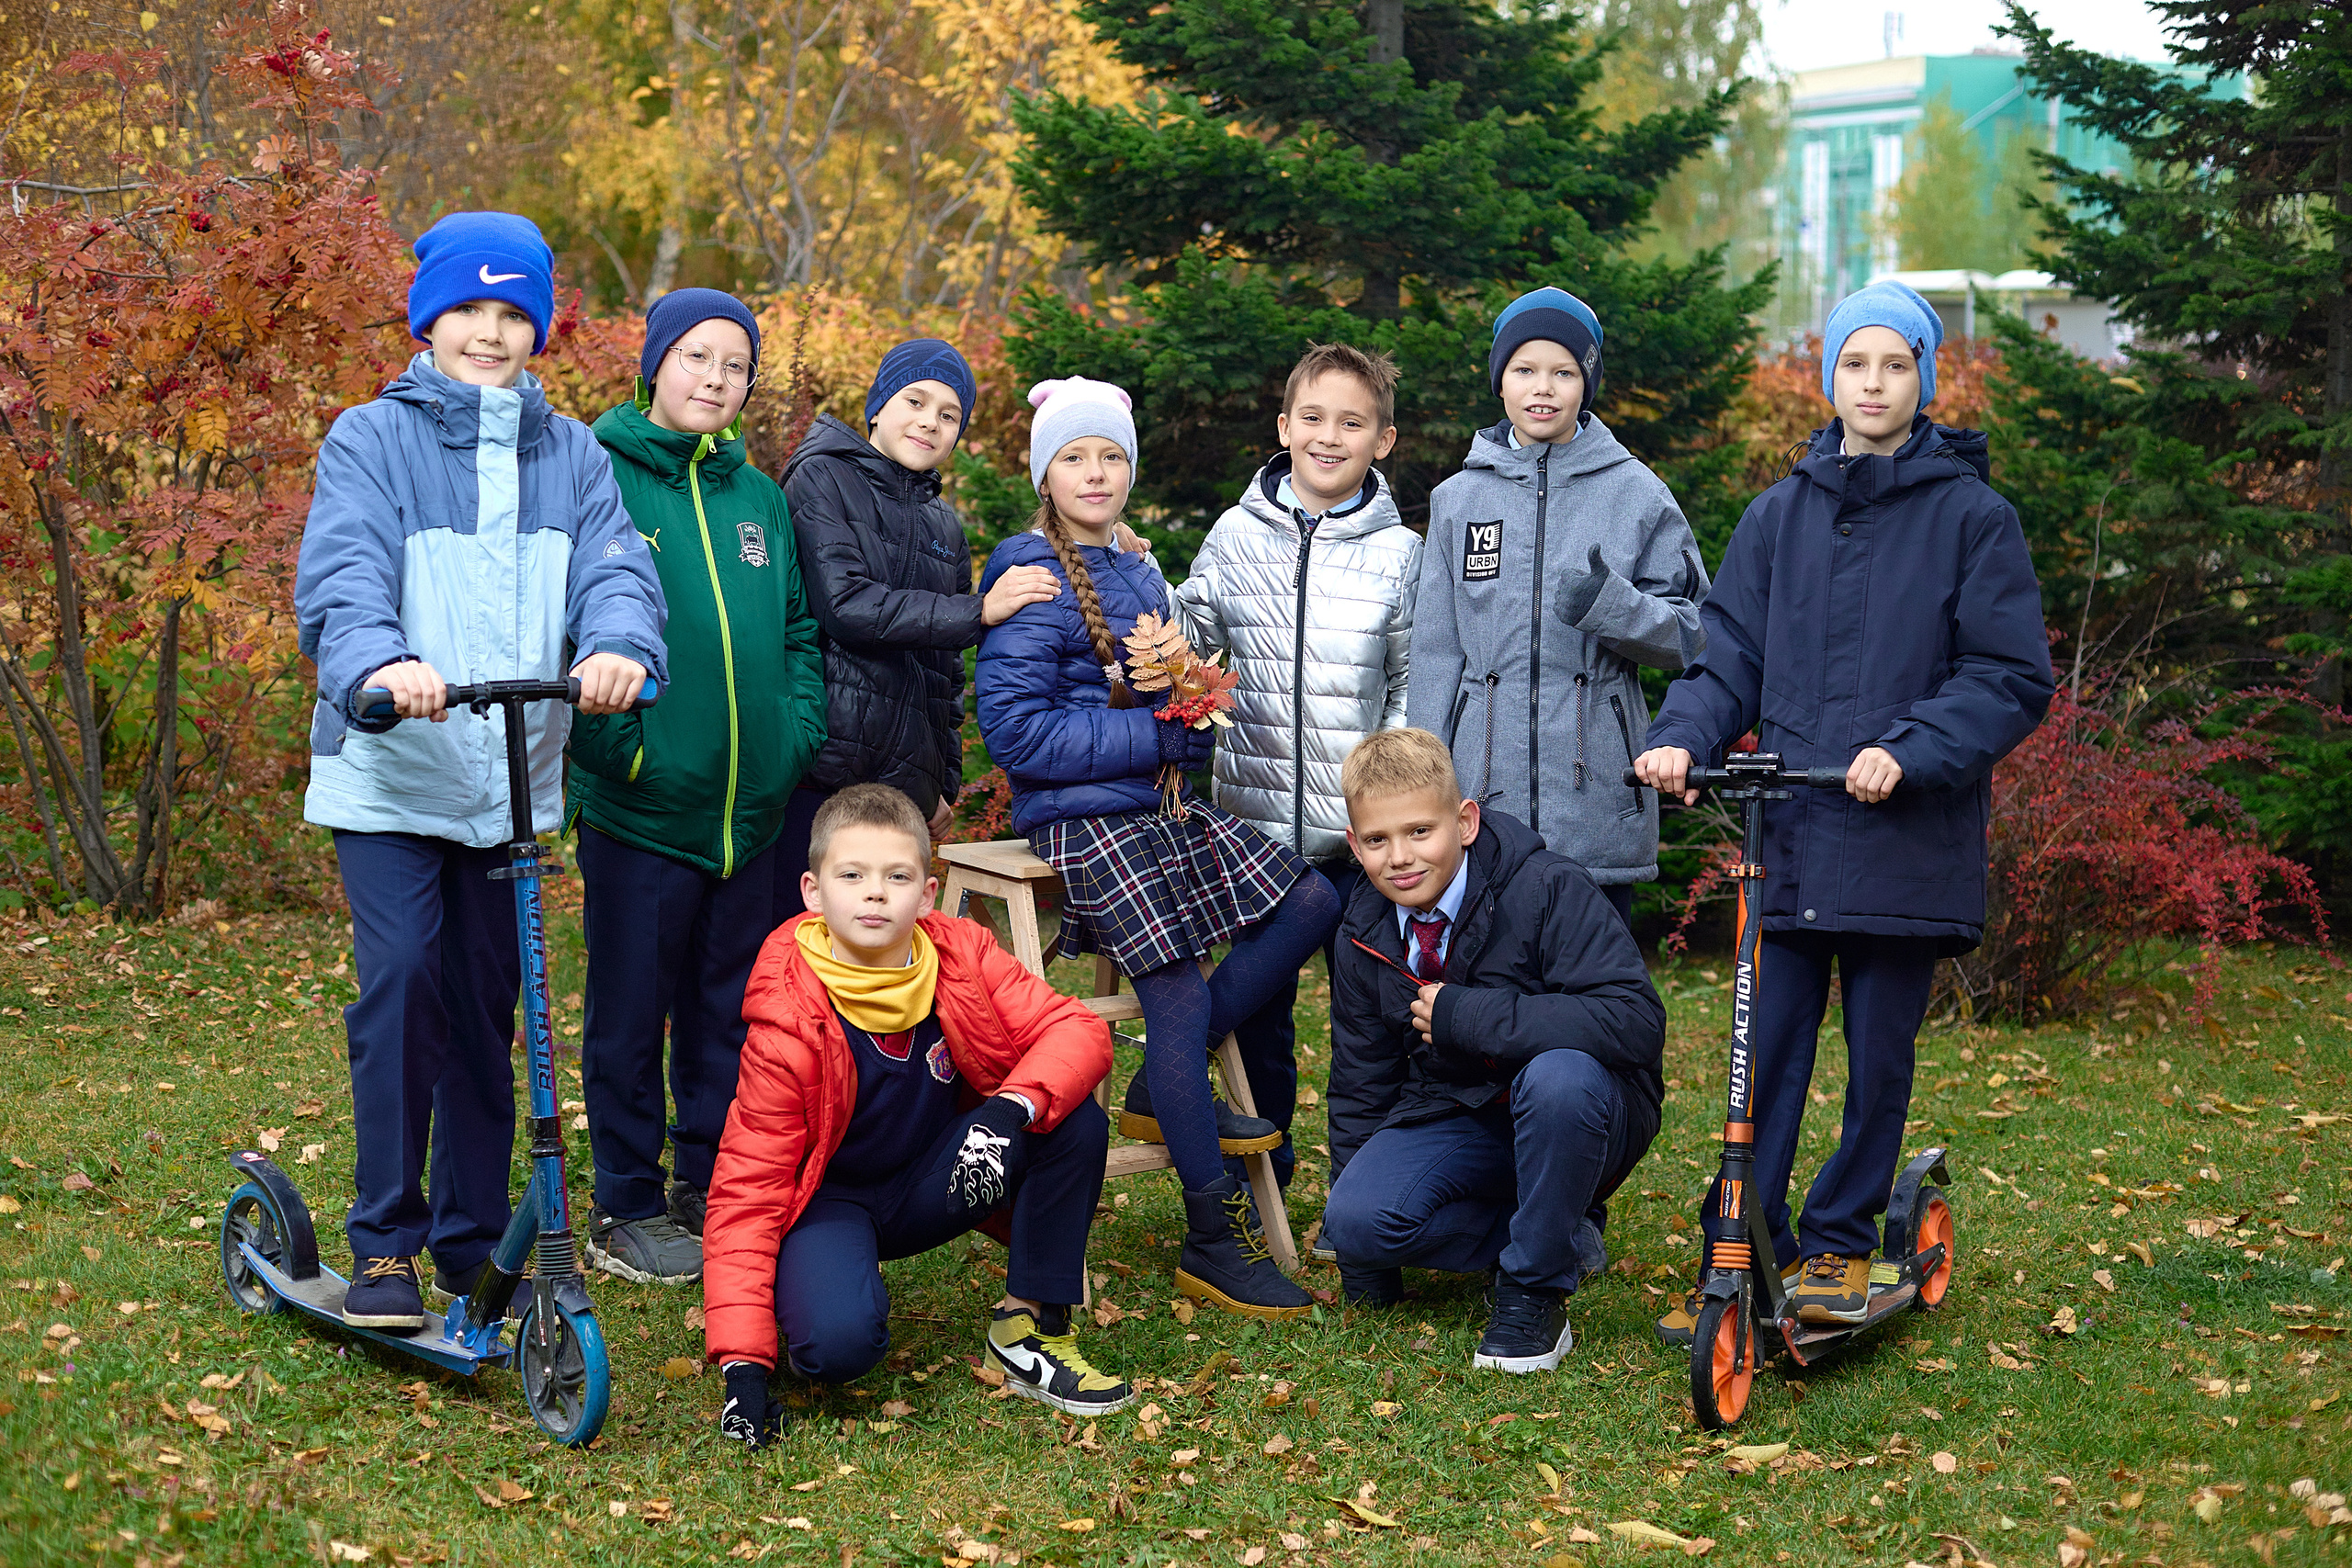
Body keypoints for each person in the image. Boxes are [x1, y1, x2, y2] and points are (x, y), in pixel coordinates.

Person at [1635, 279, 2052, 1332]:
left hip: (1902, 837)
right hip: (1796, 838)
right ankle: (1745, 1241)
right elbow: (1726, 649)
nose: (1873, 384)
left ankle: (1839, 1242)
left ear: (1924, 379)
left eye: (1896, 364)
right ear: (1830, 379)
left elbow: (2007, 674)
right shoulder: (1780, 515)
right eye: (1855, 364)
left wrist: (1907, 753)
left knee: (1877, 1058)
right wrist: (1683, 734)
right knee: (1766, 1051)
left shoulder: (1971, 517)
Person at [293, 211, 667, 1329]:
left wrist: (617, 649)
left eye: (514, 315)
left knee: (486, 1007)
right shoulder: (371, 438)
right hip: (393, 772)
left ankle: (465, 1240)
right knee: (406, 985)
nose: (491, 334)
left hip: (508, 780)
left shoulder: (574, 454)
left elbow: (616, 572)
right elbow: (343, 573)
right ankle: (386, 1245)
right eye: (469, 310)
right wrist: (381, 661)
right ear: (429, 318)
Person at [974, 378, 1343, 1319]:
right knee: (1174, 996)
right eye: (1073, 457)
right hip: (1080, 818)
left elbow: (1177, 698)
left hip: (1153, 804)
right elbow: (1017, 737)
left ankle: (1156, 1078)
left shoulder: (1139, 569)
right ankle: (1210, 1239)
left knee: (1310, 900)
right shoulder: (1030, 576)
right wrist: (1161, 740)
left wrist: (1197, 711)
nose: (1095, 473)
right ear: (1043, 474)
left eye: (1111, 456)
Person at [702, 784, 1130, 1447]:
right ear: (814, 892)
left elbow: (1075, 1029)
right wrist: (743, 1371)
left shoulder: (958, 953)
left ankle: (1027, 1329)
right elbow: (746, 1189)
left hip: (938, 1175)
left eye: (896, 876)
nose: (875, 893)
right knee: (837, 1350)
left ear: (927, 894)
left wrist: (1008, 1110)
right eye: (853, 875)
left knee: (1069, 1117)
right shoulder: (788, 1015)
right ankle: (813, 1286)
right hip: (830, 1200)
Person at [567, 288, 827, 1284]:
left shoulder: (756, 497)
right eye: (697, 358)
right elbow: (566, 626)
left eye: (735, 367)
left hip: (750, 813)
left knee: (728, 1008)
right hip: (644, 805)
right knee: (632, 1011)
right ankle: (625, 1203)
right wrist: (622, 751)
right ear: (654, 363)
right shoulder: (595, 473)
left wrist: (791, 737)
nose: (715, 380)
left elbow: (797, 630)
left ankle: (711, 1181)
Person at [1320, 728, 1664, 1372]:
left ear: (1466, 822)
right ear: (1354, 845)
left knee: (1558, 1077)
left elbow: (1635, 1021)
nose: (1400, 856)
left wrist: (1468, 1013)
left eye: (1420, 831)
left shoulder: (1547, 887)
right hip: (1459, 1109)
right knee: (1357, 1220)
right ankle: (1558, 1227)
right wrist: (1361, 1259)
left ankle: (1534, 1289)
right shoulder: (1363, 927)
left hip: (1586, 1109)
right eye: (1377, 839)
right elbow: (1360, 1080)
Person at [1171, 342, 1421, 1195]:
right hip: (1251, 829)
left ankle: (1366, 1193)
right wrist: (1138, 588)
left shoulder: (1400, 554)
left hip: (1357, 845)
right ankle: (1260, 1182)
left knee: (1369, 1024)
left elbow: (1407, 682)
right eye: (1312, 419)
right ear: (1284, 428)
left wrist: (1380, 800)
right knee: (1261, 1021)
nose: (1329, 437)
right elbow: (1191, 645)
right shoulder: (1236, 535)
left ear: (1382, 440)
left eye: (1352, 423)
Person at [1405, 287, 1709, 929]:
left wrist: (1612, 605)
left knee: (1595, 1001)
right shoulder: (1456, 499)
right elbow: (1435, 653)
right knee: (1489, 998)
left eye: (1563, 372)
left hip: (1597, 805)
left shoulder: (1638, 492)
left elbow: (1693, 633)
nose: (1542, 388)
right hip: (1482, 804)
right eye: (1525, 370)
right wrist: (1426, 793)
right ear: (1499, 380)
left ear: (1587, 382)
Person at [775, 339, 1061, 898]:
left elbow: (943, 673)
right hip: (822, 770)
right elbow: (846, 605)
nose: (930, 422)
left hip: (904, 785)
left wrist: (940, 783)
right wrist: (979, 610)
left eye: (949, 415)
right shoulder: (822, 478)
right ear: (878, 406)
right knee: (806, 943)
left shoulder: (943, 525)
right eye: (916, 401)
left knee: (883, 949)